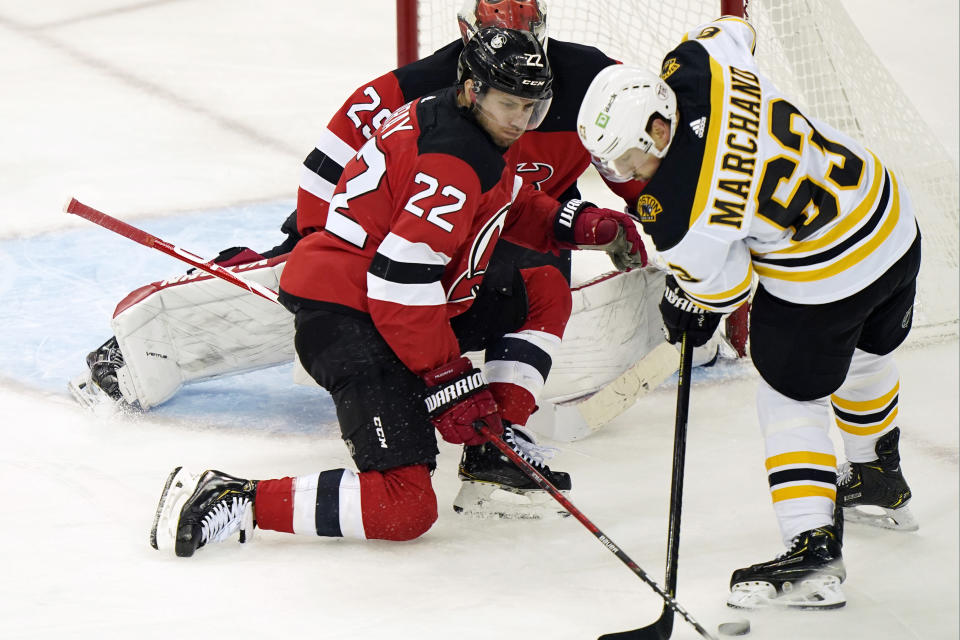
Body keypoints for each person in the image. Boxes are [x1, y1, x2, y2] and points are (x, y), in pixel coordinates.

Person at [74, 0, 685, 516]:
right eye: (510, 103)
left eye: (534, 103)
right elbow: (388, 264)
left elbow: (532, 188)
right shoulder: (442, 137)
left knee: (541, 278)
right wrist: (449, 381)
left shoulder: (501, 114)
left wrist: (579, 220)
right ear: (471, 64)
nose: (524, 117)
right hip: (378, 280)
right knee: (404, 494)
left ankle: (496, 445)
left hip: (445, 254)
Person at [575, 17, 920, 609]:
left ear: (660, 129)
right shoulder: (695, 69)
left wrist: (687, 299)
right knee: (865, 351)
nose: (624, 176)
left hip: (828, 276)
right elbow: (736, 28)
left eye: (629, 159)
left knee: (789, 394)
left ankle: (812, 549)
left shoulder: (677, 209)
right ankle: (878, 478)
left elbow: (727, 289)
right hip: (891, 218)